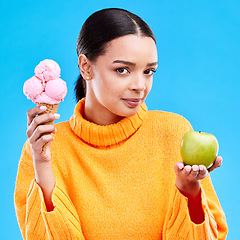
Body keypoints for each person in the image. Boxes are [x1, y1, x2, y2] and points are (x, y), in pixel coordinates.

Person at [14, 8, 228, 240]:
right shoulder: (45, 149)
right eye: (122, 70)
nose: (140, 85)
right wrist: (44, 168)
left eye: (148, 71)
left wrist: (191, 195)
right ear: (86, 67)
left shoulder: (174, 133)